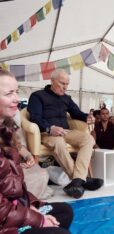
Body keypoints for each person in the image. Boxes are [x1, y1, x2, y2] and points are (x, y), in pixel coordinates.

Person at [0, 69, 73, 234]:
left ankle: (78, 179)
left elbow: (16, 188)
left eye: (16, 92)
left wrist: (33, 205)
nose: (17, 99)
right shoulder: (39, 97)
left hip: (14, 209)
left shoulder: (7, 131)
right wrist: (38, 220)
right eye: (9, 93)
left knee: (64, 212)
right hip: (4, 223)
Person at [27, 69, 103, 199]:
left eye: (67, 84)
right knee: (58, 142)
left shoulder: (66, 98)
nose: (65, 87)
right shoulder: (37, 96)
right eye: (62, 83)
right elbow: (35, 118)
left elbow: (77, 114)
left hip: (66, 131)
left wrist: (87, 117)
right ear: (52, 80)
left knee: (88, 139)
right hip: (47, 132)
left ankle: (78, 180)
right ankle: (83, 179)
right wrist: (50, 128)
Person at [14, 110, 54, 200]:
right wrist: (13, 165)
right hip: (6, 168)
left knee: (43, 175)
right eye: (8, 95)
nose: (16, 99)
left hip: (15, 164)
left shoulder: (11, 119)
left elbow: (18, 145)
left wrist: (28, 156)